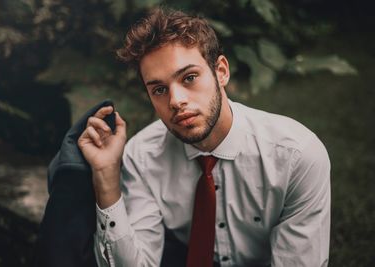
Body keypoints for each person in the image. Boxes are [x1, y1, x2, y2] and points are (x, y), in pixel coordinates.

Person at [77, 7, 331, 267]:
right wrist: (107, 177)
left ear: (221, 71)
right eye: (160, 89)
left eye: (189, 78)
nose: (176, 101)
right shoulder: (142, 157)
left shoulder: (296, 156)